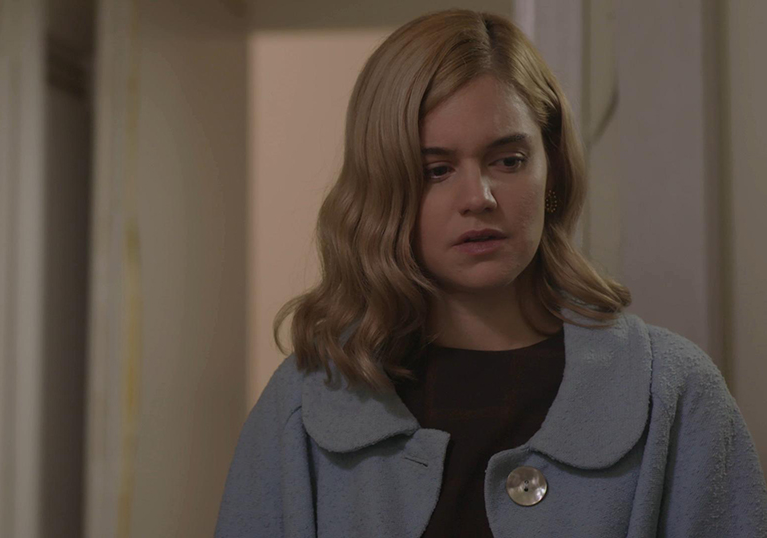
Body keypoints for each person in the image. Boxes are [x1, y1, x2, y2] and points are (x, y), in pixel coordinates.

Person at [214, 8, 767, 537]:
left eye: (508, 161)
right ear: (385, 189)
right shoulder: (303, 405)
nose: (477, 197)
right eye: (436, 170)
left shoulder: (673, 392)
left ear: (552, 172)